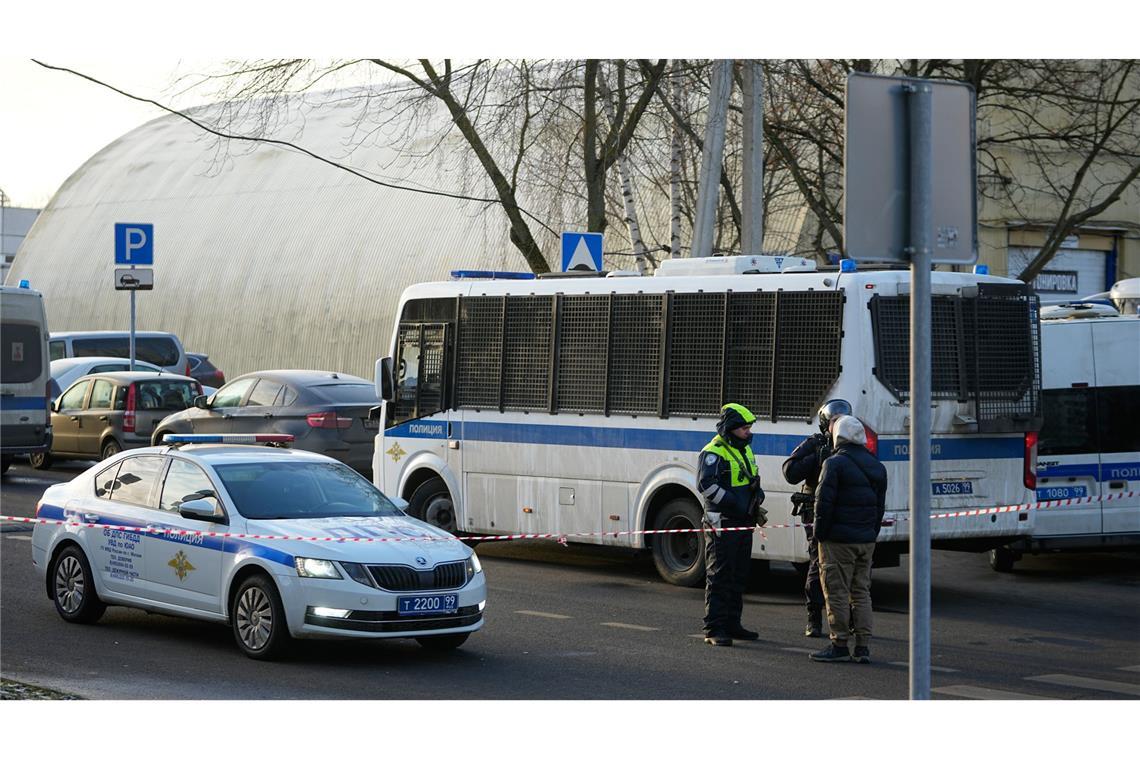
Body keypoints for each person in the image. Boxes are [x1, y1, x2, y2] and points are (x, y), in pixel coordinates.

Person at [809, 415, 887, 664]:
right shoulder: (877, 466)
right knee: (861, 592)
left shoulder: (834, 464)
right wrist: (871, 533)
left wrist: (820, 535)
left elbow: (823, 504)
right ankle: (862, 647)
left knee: (837, 592)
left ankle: (839, 644)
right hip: (866, 540)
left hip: (838, 541)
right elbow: (880, 507)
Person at [782, 398, 852, 638]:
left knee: (847, 564)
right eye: (834, 420)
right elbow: (790, 472)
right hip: (816, 510)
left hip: (843, 511)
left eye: (842, 420)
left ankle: (850, 618)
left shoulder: (852, 445)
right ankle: (814, 617)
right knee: (818, 562)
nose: (838, 425)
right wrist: (815, 457)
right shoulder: (815, 443)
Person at [699, 403, 767, 647]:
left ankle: (732, 624)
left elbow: (749, 477)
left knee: (739, 574)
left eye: (749, 428)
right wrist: (732, 501)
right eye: (744, 428)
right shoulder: (713, 452)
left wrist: (756, 493)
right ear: (731, 428)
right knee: (719, 575)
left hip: (742, 521)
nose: (748, 432)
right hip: (722, 521)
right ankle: (714, 628)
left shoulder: (744, 448)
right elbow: (705, 485)